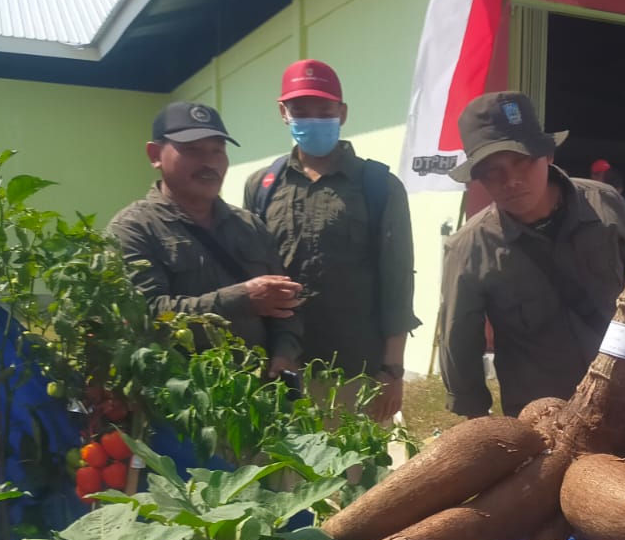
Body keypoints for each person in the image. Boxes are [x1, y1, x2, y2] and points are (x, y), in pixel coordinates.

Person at [439, 92, 625, 416]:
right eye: (493, 171)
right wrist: (479, 424)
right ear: (478, 179)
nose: (512, 180)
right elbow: (459, 344)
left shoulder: (605, 205)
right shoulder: (469, 248)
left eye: (523, 161)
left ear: (547, 155)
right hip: (541, 422)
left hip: (624, 404)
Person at [243, 60, 419, 422]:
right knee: (282, 476)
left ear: (342, 113)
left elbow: (398, 283)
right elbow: (250, 273)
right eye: (300, 111)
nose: (312, 120)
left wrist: (393, 371)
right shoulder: (262, 186)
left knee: (357, 477)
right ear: (283, 113)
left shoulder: (378, 186)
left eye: (324, 112)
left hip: (357, 371)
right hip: (281, 370)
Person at [111, 101, 301, 375]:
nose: (209, 163)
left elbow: (286, 304)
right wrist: (242, 298)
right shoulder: (133, 229)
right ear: (155, 154)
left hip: (256, 398)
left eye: (217, 150)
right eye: (193, 150)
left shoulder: (249, 226)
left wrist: (285, 352)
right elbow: (145, 316)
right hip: (179, 400)